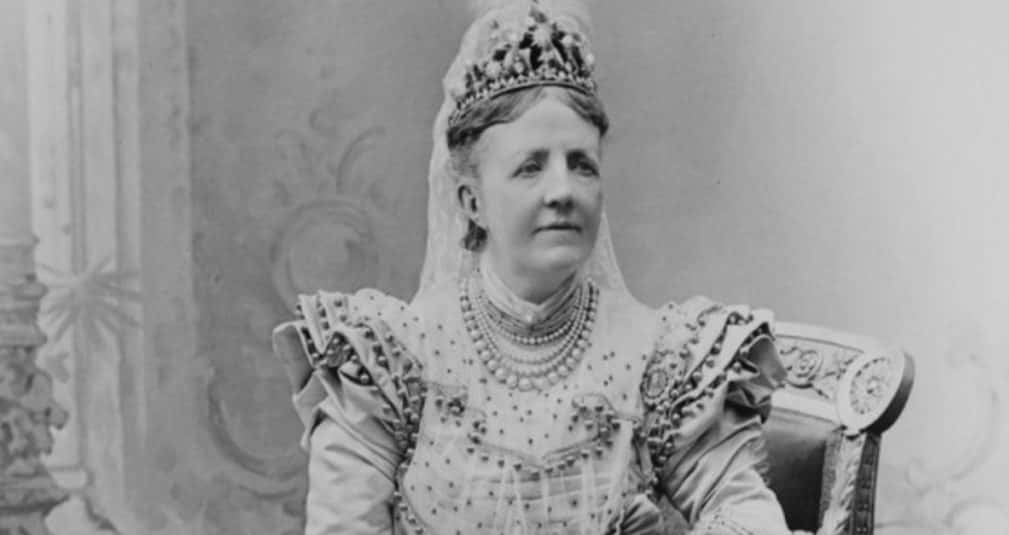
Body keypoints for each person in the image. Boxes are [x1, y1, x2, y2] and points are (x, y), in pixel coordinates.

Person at [272, 1, 791, 533]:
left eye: (582, 165)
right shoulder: (392, 359)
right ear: (472, 201)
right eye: (530, 167)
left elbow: (746, 512)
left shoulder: (659, 357)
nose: (563, 191)